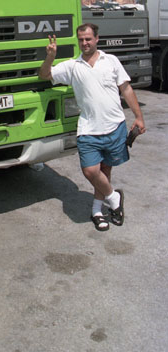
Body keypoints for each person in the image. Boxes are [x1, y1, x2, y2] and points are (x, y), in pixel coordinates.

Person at [39, 23, 145, 232]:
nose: (84, 43)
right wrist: (50, 57)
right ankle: (114, 199)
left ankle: (97, 211)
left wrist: (139, 117)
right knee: (90, 171)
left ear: (97, 39)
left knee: (105, 171)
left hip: (114, 126)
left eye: (88, 39)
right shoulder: (72, 66)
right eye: (81, 39)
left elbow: (126, 88)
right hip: (88, 129)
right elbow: (44, 74)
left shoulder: (111, 61)